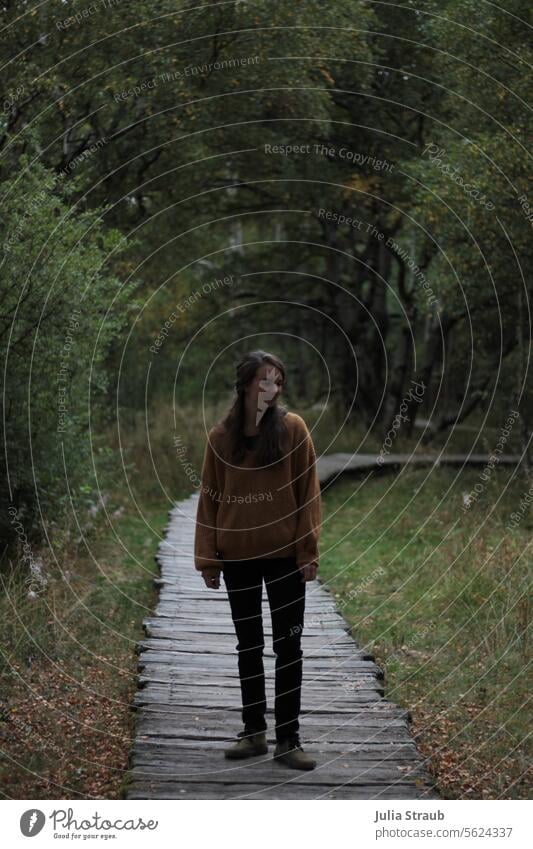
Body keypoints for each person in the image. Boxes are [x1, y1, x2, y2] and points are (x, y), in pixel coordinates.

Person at [193, 350, 322, 770]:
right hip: (238, 559)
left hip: (285, 557)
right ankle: (253, 732)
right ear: (247, 385)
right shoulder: (220, 438)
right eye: (265, 381)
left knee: (290, 646)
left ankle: (289, 738)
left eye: (278, 382)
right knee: (248, 645)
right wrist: (207, 558)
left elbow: (309, 495)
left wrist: (308, 551)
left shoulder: (293, 429)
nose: (273, 389)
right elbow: (209, 498)